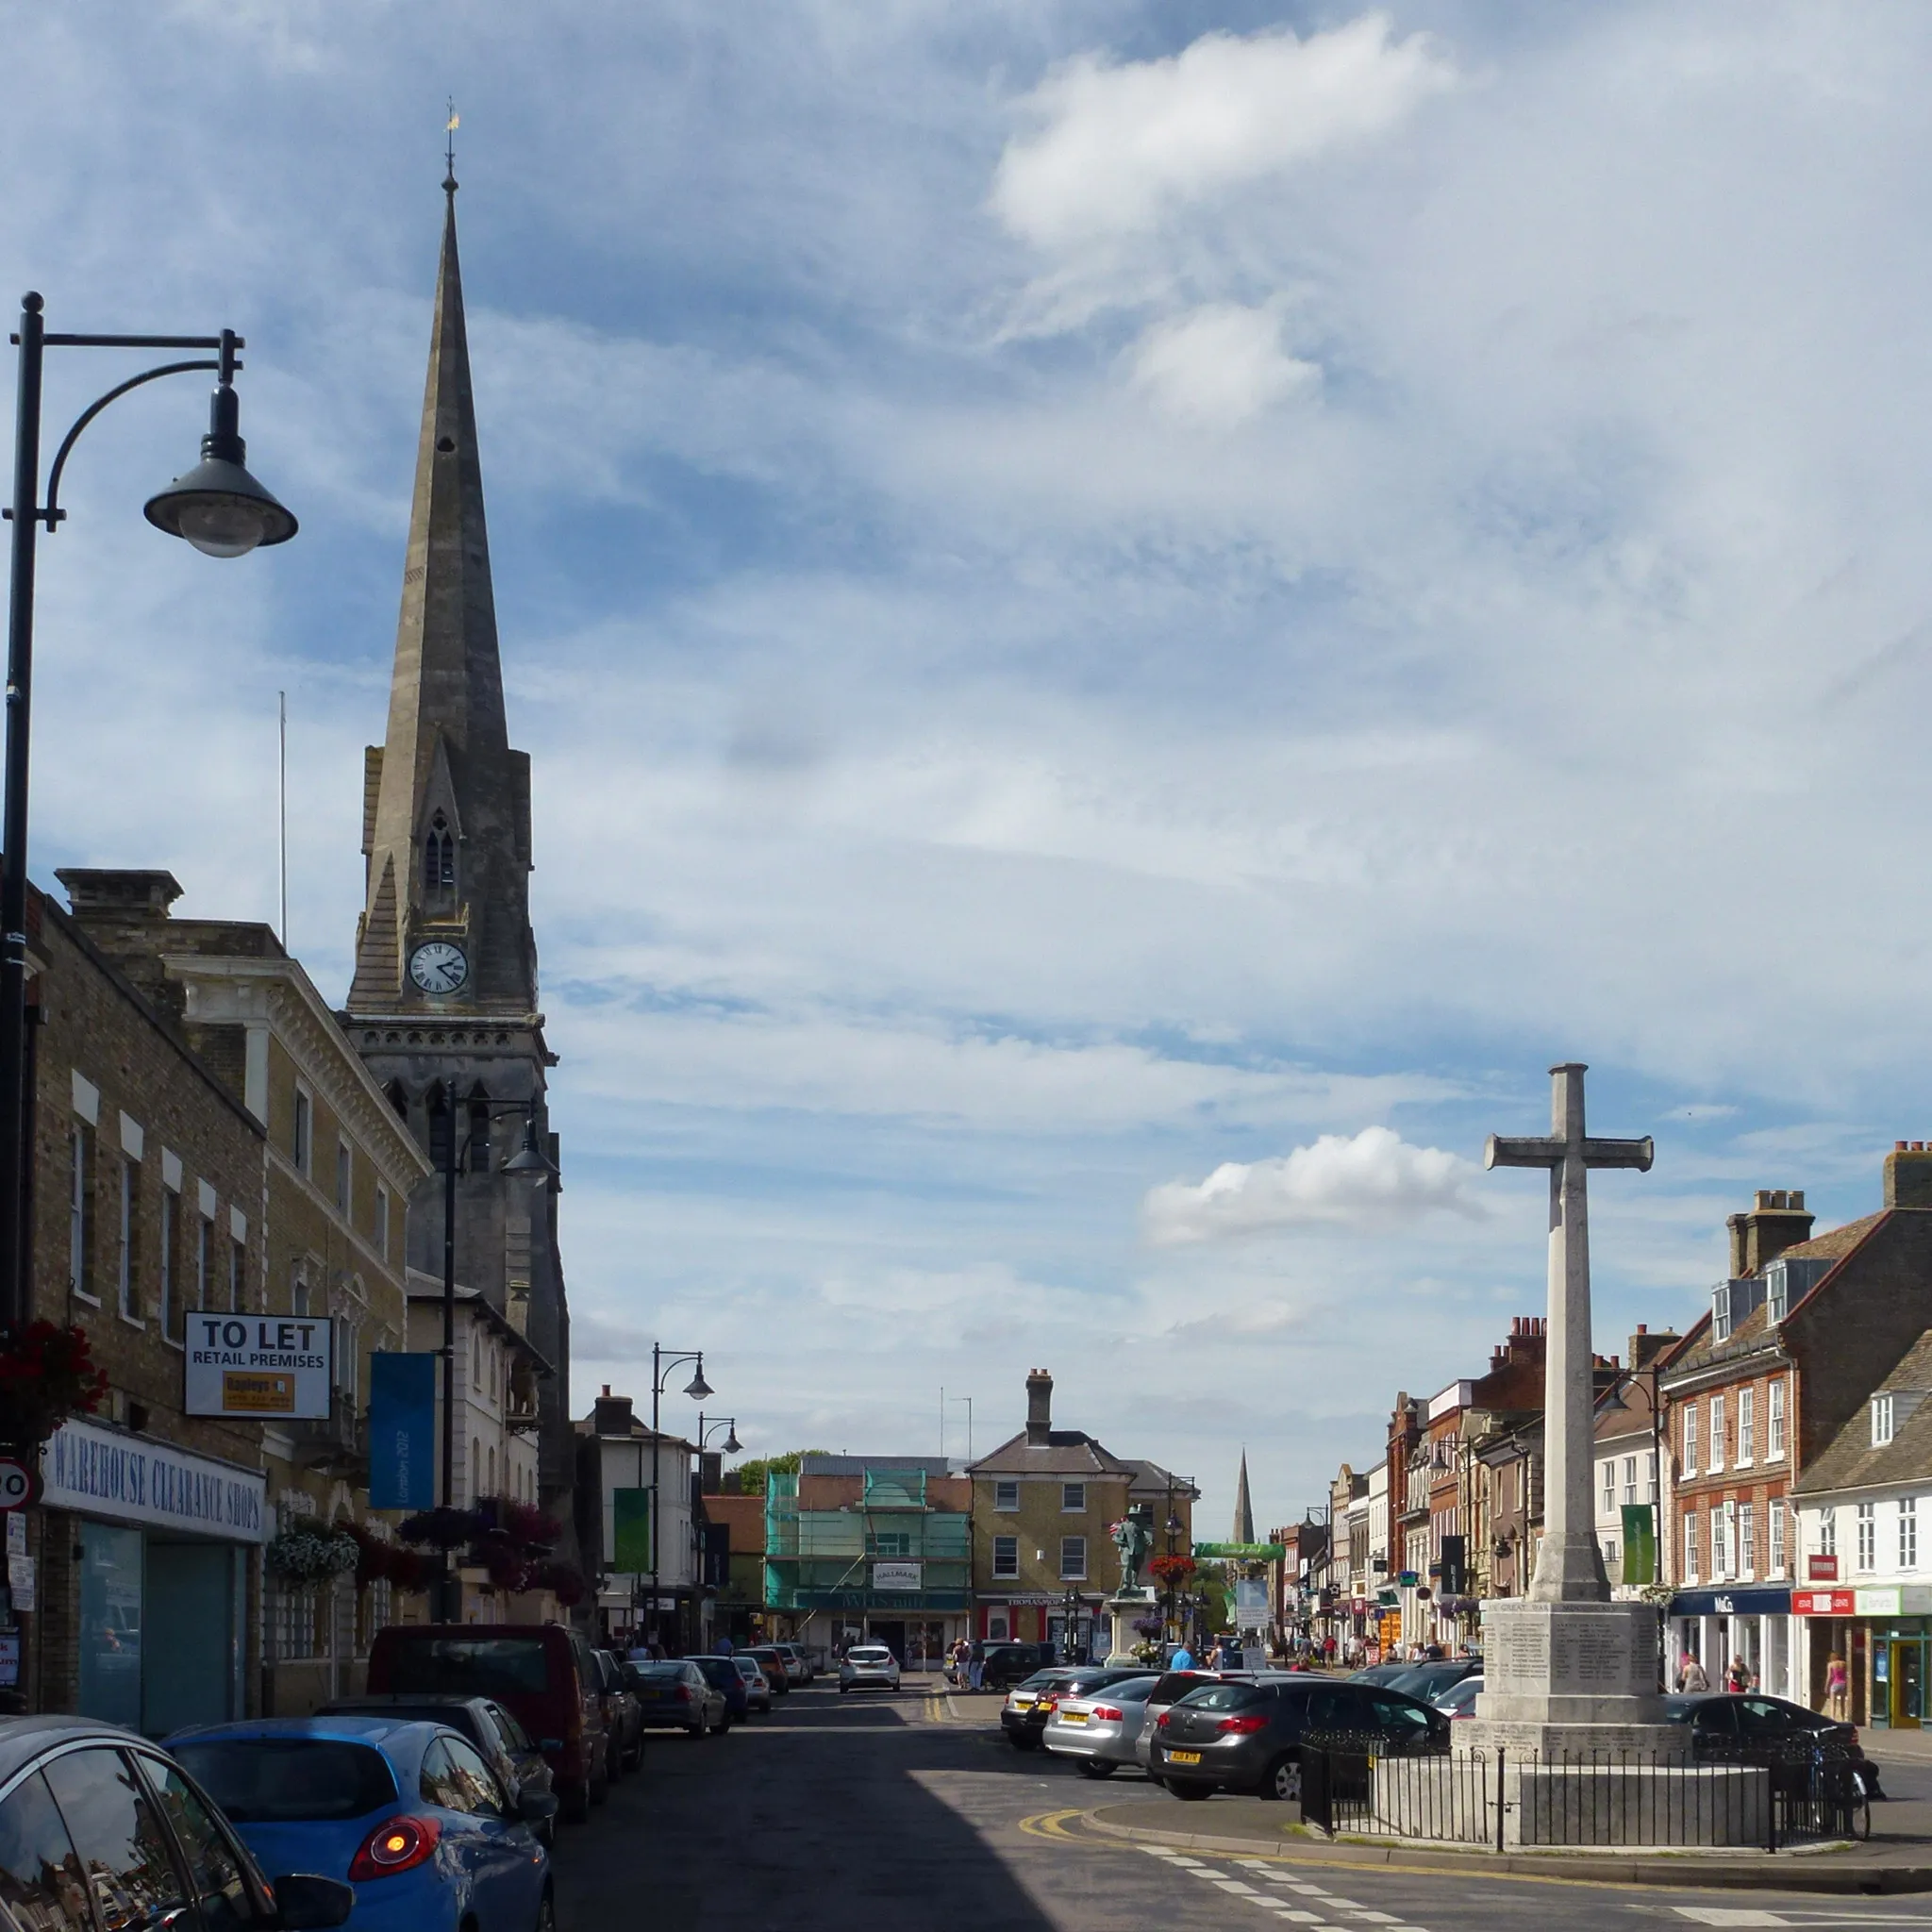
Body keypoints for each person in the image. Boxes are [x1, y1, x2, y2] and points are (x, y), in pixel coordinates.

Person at [1826, 1651, 1850, 1720]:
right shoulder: (1844, 1663)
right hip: (1843, 1684)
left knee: (1833, 1703)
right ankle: (1843, 1718)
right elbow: (1846, 1674)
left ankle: (1832, 1718)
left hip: (1835, 1684)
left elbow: (1829, 1677)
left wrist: (1826, 1686)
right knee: (1842, 1702)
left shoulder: (1830, 1664)